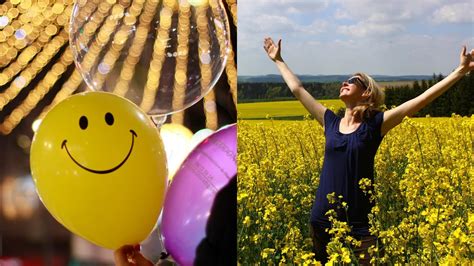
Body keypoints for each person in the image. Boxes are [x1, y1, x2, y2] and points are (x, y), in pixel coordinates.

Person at [263, 37, 473, 263]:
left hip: (361, 224)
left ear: (367, 93)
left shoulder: (375, 125)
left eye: (353, 80)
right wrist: (278, 60)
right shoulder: (330, 122)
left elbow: (421, 99)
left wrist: (460, 71)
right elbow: (297, 88)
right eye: (344, 80)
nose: (345, 82)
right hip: (323, 220)